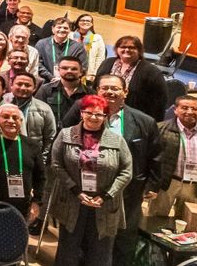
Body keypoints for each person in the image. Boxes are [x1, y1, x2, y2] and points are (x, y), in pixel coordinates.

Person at [59, 73, 161, 264]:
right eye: (104, 88)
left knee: (122, 239)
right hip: (84, 191)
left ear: (125, 92)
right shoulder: (80, 110)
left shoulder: (144, 122)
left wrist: (152, 185)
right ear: (97, 90)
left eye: (115, 88)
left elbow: (155, 155)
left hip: (126, 192)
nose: (109, 92)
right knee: (84, 238)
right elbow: (64, 140)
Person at [48, 94, 132, 266]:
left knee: (100, 253)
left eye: (99, 114)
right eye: (89, 112)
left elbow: (126, 172)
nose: (94, 117)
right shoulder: (65, 135)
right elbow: (56, 165)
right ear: (81, 113)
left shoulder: (117, 140)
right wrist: (76, 191)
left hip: (104, 204)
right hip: (72, 201)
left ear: (105, 116)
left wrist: (106, 195)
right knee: (68, 250)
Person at [149, 94, 197, 217]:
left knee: (188, 224)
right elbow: (150, 158)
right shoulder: (160, 129)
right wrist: (150, 185)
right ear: (175, 110)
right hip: (167, 185)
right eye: (185, 108)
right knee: (155, 221)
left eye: (194, 109)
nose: (190, 112)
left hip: (195, 185)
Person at [95, 35, 167, 121]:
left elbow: (159, 102)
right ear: (117, 49)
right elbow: (95, 87)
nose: (127, 50)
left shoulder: (151, 72)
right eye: (123, 47)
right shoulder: (107, 63)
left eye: (131, 47)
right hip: (103, 112)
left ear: (139, 51)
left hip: (134, 118)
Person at [34, 55, 88, 128]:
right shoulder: (45, 90)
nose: (69, 71)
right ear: (58, 70)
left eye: (74, 69)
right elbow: (36, 116)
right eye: (65, 68)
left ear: (81, 72)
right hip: (51, 136)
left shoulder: (90, 93)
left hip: (79, 136)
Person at [36, 18, 87, 83]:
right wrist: (51, 77)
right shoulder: (41, 44)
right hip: (46, 83)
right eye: (59, 27)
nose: (62, 30)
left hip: (70, 83)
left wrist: (65, 78)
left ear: (70, 30)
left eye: (65, 28)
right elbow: (38, 64)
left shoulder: (78, 47)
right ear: (53, 29)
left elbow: (82, 67)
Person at [71, 14, 106, 82]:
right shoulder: (70, 35)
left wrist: (94, 74)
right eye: (82, 20)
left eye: (88, 21)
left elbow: (100, 58)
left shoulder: (97, 38)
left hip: (88, 74)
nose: (85, 22)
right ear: (77, 22)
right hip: (71, 69)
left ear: (92, 24)